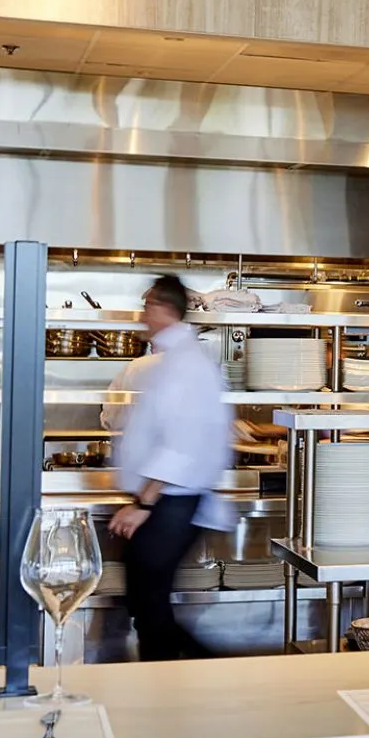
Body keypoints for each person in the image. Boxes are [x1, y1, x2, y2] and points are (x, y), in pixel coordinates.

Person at [106, 274, 234, 660]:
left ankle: (198, 675)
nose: (142, 315)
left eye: (146, 306)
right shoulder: (171, 360)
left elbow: (181, 442)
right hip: (166, 499)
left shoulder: (186, 365)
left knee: (148, 603)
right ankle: (188, 676)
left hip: (172, 501)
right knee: (145, 599)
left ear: (163, 307)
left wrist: (144, 503)